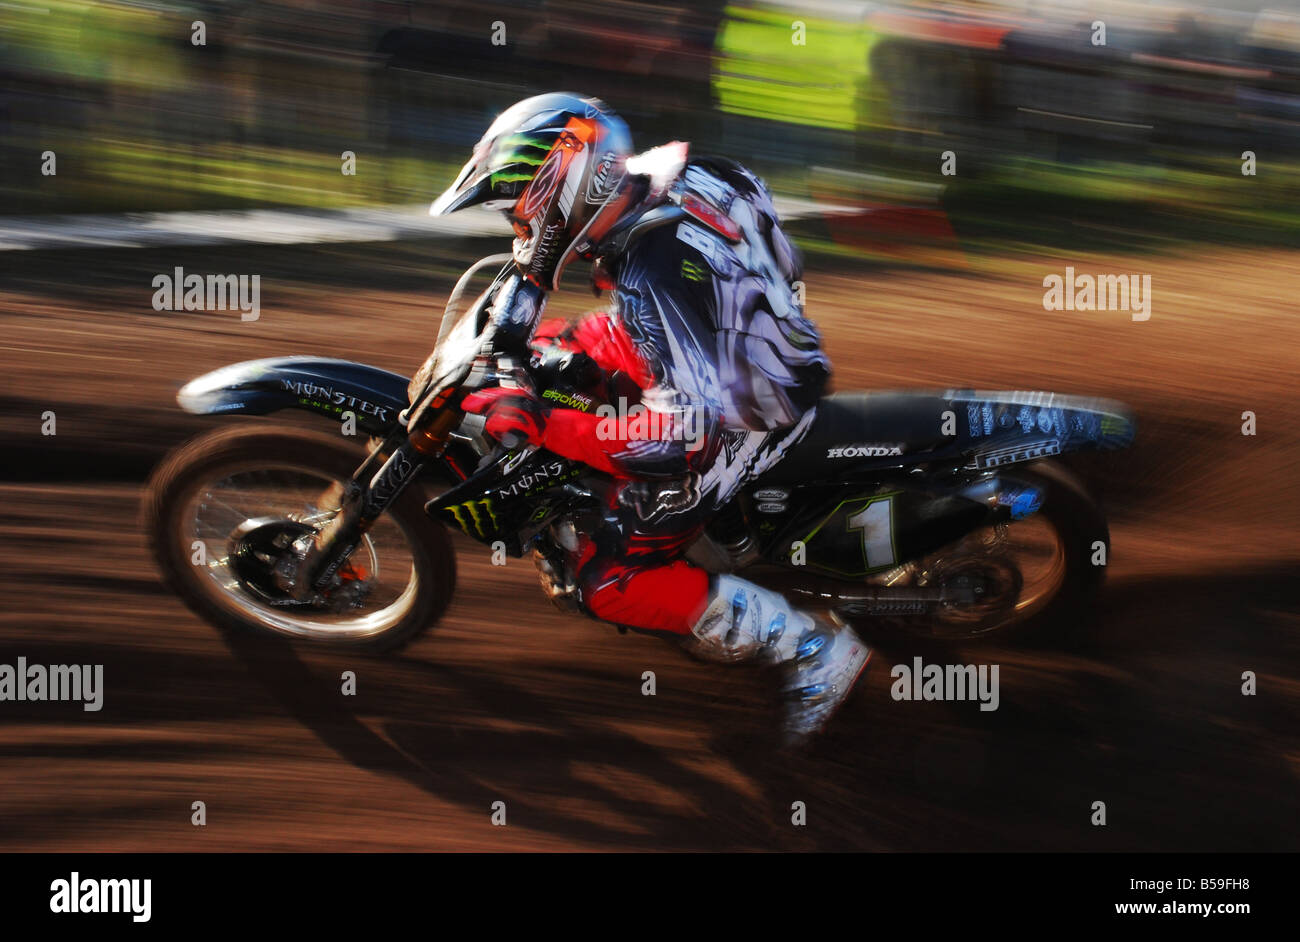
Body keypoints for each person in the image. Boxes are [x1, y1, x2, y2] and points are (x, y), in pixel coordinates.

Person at [430, 92, 868, 743]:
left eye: (521, 209)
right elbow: (773, 263)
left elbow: (683, 439)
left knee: (609, 580)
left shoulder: (651, 277)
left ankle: (811, 649)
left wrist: (549, 427)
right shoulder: (693, 177)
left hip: (741, 419)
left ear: (561, 188)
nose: (519, 227)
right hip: (760, 344)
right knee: (567, 345)